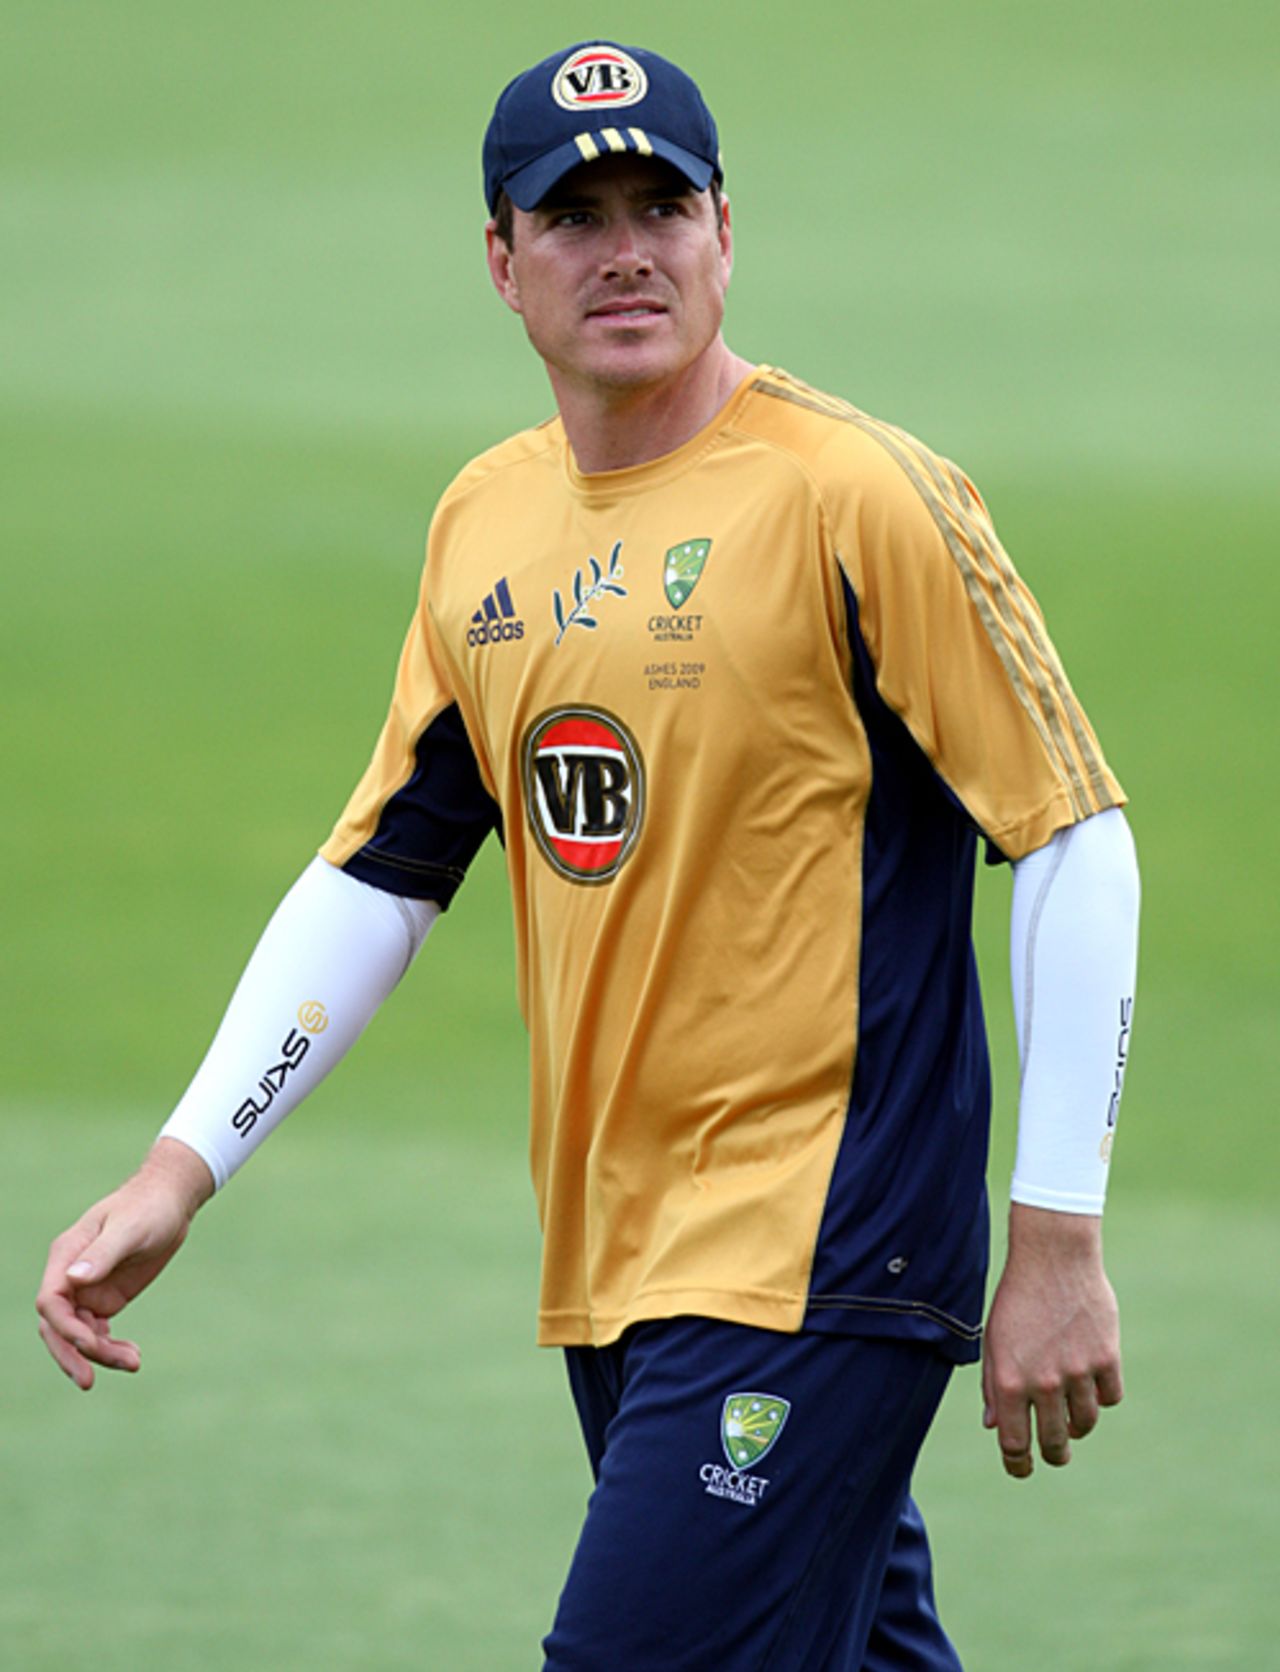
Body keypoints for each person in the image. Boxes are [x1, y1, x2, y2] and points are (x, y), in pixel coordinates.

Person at [37, 41, 1140, 1670]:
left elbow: (1073, 837)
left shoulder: (859, 496)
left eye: (661, 204)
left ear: (724, 234)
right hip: (617, 1266)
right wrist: (181, 1164)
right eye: (574, 214)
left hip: (825, 1251)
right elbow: (384, 873)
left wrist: (1057, 1232)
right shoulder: (484, 521)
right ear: (501, 258)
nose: (625, 246)